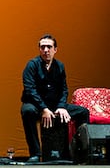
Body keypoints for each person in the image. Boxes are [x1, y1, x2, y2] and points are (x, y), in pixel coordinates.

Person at [20, 34, 90, 163]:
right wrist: (44, 109)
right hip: (35, 104)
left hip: (55, 104)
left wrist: (61, 106)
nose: (46, 50)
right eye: (42, 47)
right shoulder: (32, 65)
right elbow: (30, 90)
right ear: (39, 49)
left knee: (83, 112)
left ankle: (79, 151)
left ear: (55, 49)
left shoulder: (60, 66)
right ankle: (35, 153)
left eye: (49, 47)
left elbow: (64, 89)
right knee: (27, 111)